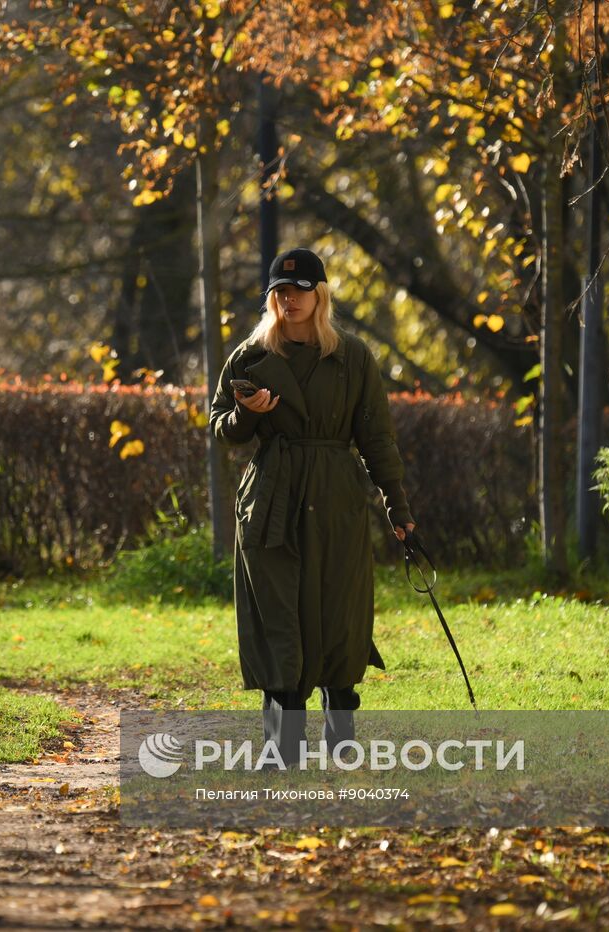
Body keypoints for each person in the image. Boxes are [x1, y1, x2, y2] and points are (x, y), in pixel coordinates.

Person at [208, 247, 416, 770]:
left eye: (300, 290)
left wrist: (398, 505)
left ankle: (341, 739)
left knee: (337, 615)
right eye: (280, 290)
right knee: (279, 617)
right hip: (270, 500)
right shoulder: (250, 356)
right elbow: (221, 430)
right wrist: (245, 414)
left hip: (336, 499)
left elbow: (377, 438)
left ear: (320, 295)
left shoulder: (352, 355)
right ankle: (282, 747)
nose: (289, 298)